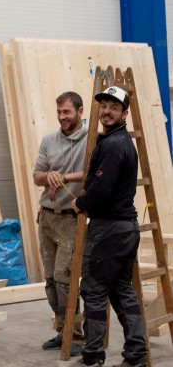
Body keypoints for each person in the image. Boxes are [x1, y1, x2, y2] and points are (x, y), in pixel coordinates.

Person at [71, 86, 147, 367]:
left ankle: (91, 358)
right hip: (125, 229)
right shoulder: (118, 141)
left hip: (109, 230)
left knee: (93, 291)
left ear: (124, 113)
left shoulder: (115, 145)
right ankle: (136, 356)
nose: (107, 111)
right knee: (121, 289)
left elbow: (101, 189)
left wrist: (81, 202)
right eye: (104, 106)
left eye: (114, 107)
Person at [33, 91, 88, 356]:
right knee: (50, 281)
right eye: (59, 112)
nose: (62, 117)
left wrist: (64, 177)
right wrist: (49, 176)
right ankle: (61, 330)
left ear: (80, 111)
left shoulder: (92, 140)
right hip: (46, 215)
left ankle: (75, 336)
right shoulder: (48, 139)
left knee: (64, 280)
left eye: (67, 112)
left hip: (70, 217)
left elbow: (94, 173)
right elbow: (37, 175)